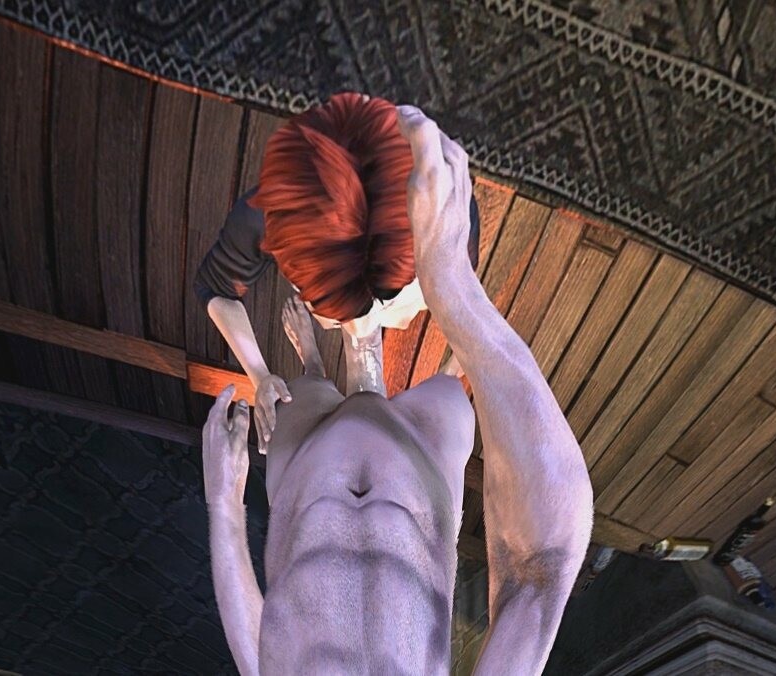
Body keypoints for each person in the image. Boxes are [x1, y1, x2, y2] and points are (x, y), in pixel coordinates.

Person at [201, 105, 593, 674]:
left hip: (306, 473)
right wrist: (452, 288)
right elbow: (544, 567)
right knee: (450, 394)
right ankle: (370, 345)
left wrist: (224, 505)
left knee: (304, 390)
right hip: (422, 467)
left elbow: (256, 662)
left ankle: (322, 354)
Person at [194, 92, 479, 450]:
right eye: (333, 310)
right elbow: (215, 287)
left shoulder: (452, 221)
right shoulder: (264, 215)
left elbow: (464, 295)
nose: (361, 336)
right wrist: (260, 376)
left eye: (387, 301)